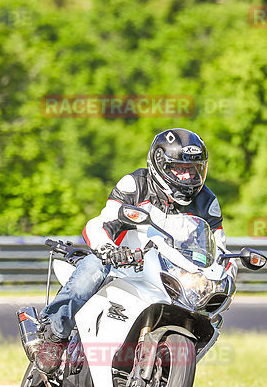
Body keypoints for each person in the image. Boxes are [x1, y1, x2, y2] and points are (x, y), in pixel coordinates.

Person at [27, 128, 234, 373]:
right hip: (122, 264)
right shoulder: (136, 184)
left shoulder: (207, 202)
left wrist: (226, 276)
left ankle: (166, 373)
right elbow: (101, 222)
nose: (187, 177)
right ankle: (53, 337)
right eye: (179, 168)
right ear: (160, 165)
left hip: (169, 275)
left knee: (210, 317)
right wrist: (106, 248)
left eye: (193, 170)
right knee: (93, 267)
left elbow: (219, 248)